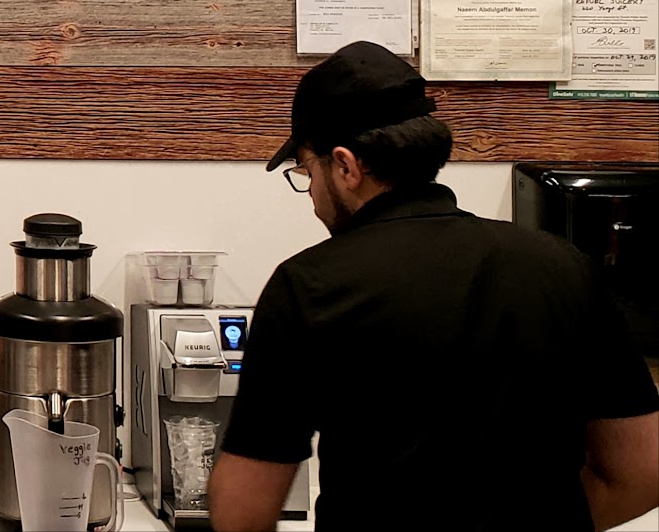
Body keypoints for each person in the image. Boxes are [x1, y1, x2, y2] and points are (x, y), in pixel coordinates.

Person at [208, 41, 659, 532]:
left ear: (346, 166)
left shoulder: (310, 286)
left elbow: (243, 510)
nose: (312, 194)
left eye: (306, 170)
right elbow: (642, 472)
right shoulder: (564, 267)